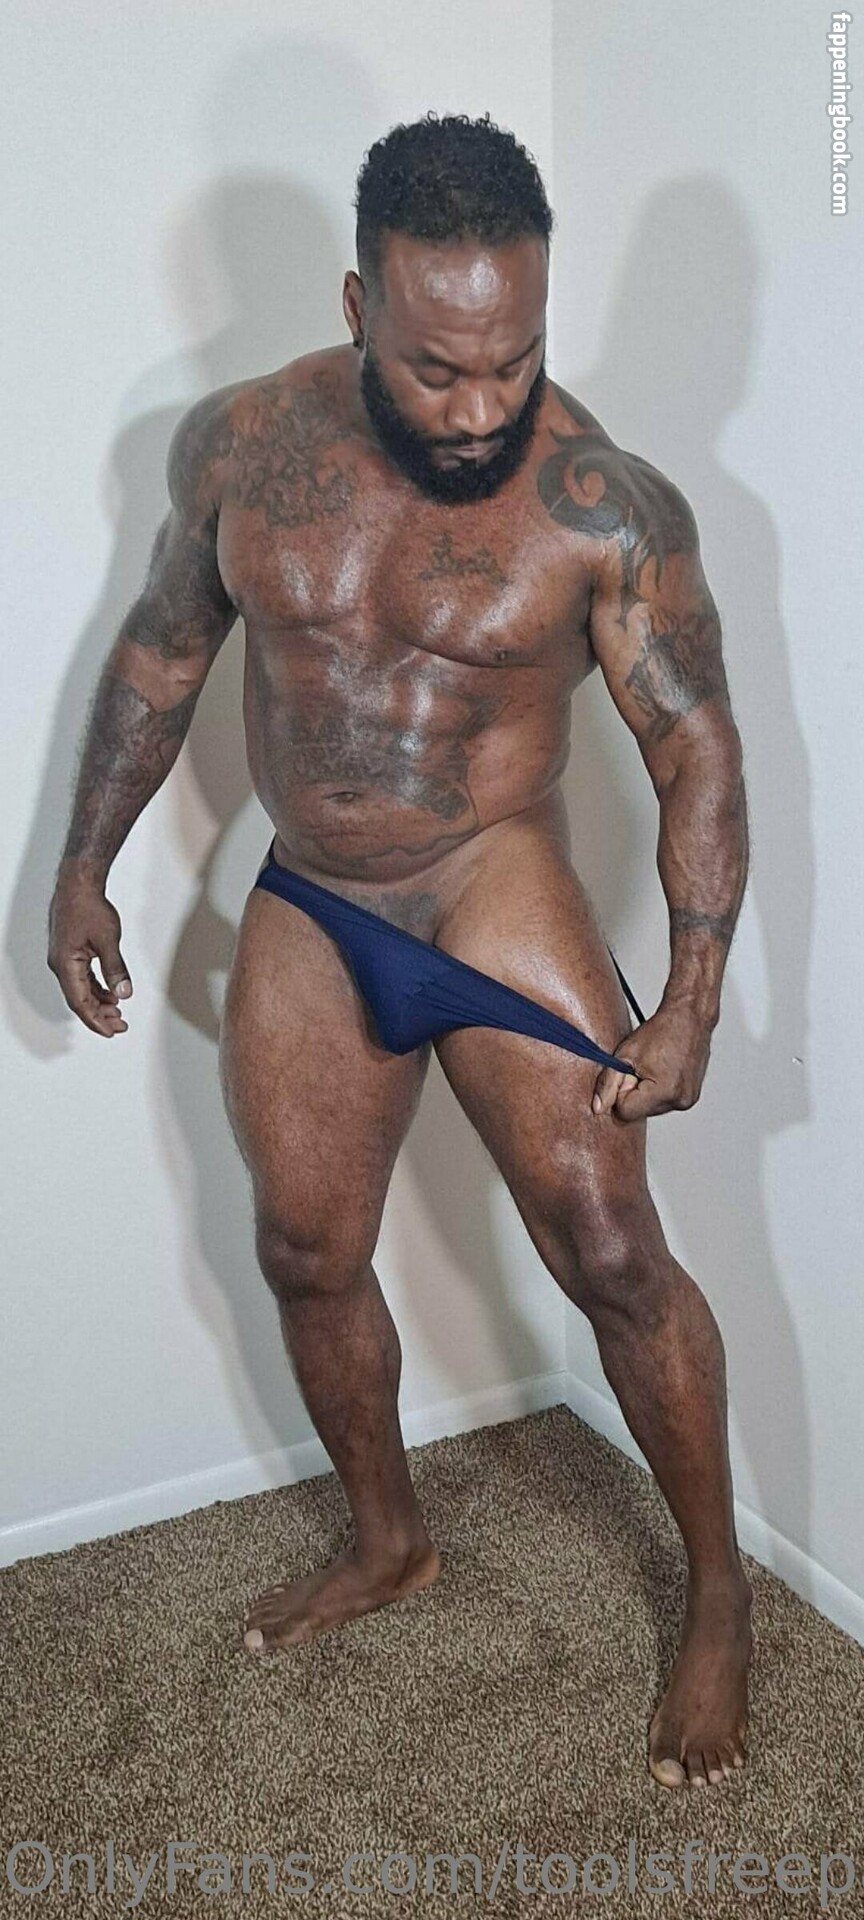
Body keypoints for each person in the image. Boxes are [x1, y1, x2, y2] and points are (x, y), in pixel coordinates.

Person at [47, 112, 752, 1793]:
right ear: (359, 304)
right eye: (440, 368)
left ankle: (721, 1592)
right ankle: (391, 1540)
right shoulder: (240, 447)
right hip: (316, 890)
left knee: (612, 1253)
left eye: (515, 360)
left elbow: (696, 749)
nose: (483, 408)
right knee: (304, 1249)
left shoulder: (607, 507)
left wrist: (697, 996)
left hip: (491, 884)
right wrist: (81, 866)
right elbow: (162, 653)